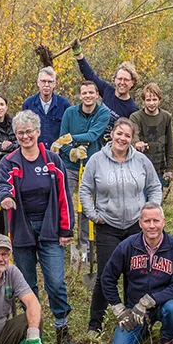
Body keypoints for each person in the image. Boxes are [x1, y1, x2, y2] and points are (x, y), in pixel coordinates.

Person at [0, 110, 76, 344]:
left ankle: (62, 328)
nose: (25, 136)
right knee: (26, 284)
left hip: (50, 227)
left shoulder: (52, 160)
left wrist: (66, 229)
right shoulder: (9, 162)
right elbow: (3, 184)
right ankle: (33, 332)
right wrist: (6, 197)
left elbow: (64, 196)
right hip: (21, 228)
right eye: (20, 133)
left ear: (38, 133)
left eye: (29, 132)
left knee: (55, 281)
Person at [79, 119, 163, 336]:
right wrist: (94, 216)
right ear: (112, 134)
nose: (122, 138)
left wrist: (149, 215)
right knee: (106, 274)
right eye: (119, 133)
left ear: (132, 138)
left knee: (135, 273)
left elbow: (154, 186)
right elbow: (85, 190)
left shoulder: (141, 161)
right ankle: (95, 322)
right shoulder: (97, 160)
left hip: (136, 226)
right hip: (108, 226)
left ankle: (134, 319)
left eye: (127, 135)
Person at [100, 203, 173, 344]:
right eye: (147, 221)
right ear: (140, 223)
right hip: (135, 310)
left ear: (163, 221)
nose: (152, 226)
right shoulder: (127, 246)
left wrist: (150, 300)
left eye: (156, 221)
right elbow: (107, 278)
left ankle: (168, 338)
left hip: (165, 305)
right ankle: (143, 330)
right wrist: (118, 308)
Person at [55, 80, 112, 281]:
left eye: (91, 92)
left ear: (97, 94)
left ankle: (88, 244)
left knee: (90, 206)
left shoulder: (103, 113)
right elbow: (61, 141)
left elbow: (93, 134)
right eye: (84, 93)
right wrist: (71, 151)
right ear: (80, 95)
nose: (87, 96)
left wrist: (69, 139)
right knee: (67, 205)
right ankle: (69, 241)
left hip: (93, 166)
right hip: (70, 167)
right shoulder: (70, 113)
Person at [71, 38, 139, 119]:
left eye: (126, 80)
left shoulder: (132, 109)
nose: (122, 82)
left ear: (132, 83)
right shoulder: (107, 90)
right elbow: (90, 75)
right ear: (114, 79)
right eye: (120, 78)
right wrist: (78, 53)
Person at [129, 82, 173, 187]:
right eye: (148, 100)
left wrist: (169, 169)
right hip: (139, 168)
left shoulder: (166, 117)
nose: (151, 103)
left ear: (159, 100)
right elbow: (132, 136)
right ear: (143, 101)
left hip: (159, 168)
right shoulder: (136, 117)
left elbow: (169, 144)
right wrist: (136, 143)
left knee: (155, 201)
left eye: (154, 100)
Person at [22, 66, 70, 149]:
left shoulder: (64, 104)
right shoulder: (28, 104)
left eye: (50, 81)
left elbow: (69, 132)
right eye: (43, 81)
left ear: (54, 83)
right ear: (38, 82)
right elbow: (23, 131)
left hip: (58, 155)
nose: (46, 85)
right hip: (35, 154)